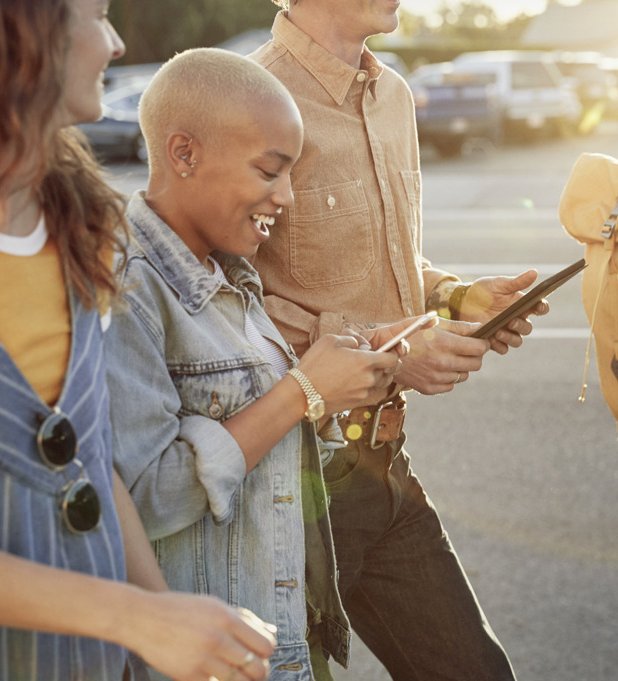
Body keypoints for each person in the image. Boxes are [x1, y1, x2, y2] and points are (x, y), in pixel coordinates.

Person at [0, 2, 277, 680]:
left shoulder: (78, 218)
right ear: (16, 25)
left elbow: (92, 467)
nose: (117, 41)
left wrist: (166, 631)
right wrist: (130, 615)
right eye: (97, 15)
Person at [103, 48, 431, 681]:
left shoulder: (229, 272)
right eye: (269, 170)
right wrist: (302, 390)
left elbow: (271, 458)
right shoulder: (129, 286)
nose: (286, 195)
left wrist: (340, 382)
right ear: (184, 153)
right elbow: (142, 498)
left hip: (277, 645)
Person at [251, 2, 548, 679]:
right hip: (293, 482)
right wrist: (390, 347)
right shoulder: (255, 100)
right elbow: (228, 305)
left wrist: (454, 295)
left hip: (384, 465)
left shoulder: (395, 96)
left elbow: (376, 257)